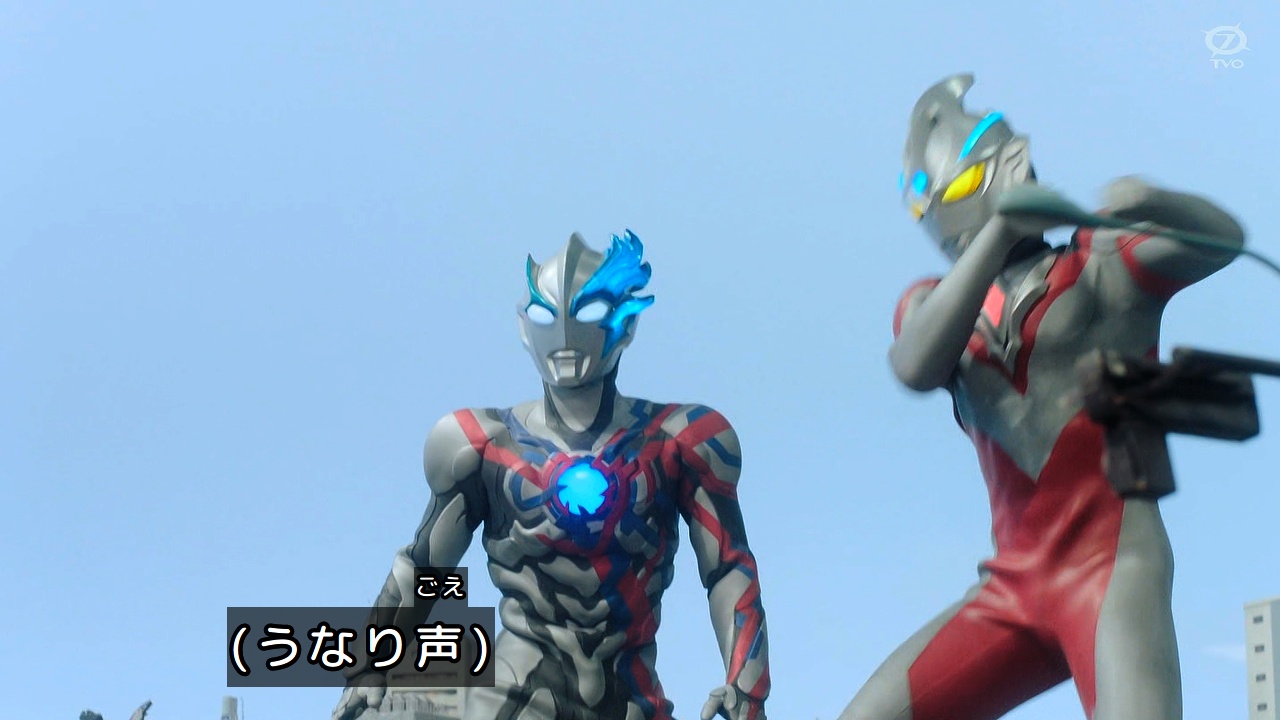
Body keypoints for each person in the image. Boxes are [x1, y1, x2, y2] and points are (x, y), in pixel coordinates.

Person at [840, 74, 1246, 720]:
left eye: (963, 188)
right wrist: (1000, 232)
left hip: (1113, 565)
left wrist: (1155, 199)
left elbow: (1223, 239)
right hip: (1013, 586)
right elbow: (915, 365)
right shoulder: (933, 306)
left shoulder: (1102, 263)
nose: (946, 213)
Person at [333, 231, 771, 720]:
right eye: (546, 315)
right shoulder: (480, 445)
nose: (564, 333)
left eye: (588, 312)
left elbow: (727, 569)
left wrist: (746, 687)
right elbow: (428, 569)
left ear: (626, 325)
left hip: (630, 702)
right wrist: (369, 667)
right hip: (512, 698)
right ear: (525, 327)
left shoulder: (680, 442)